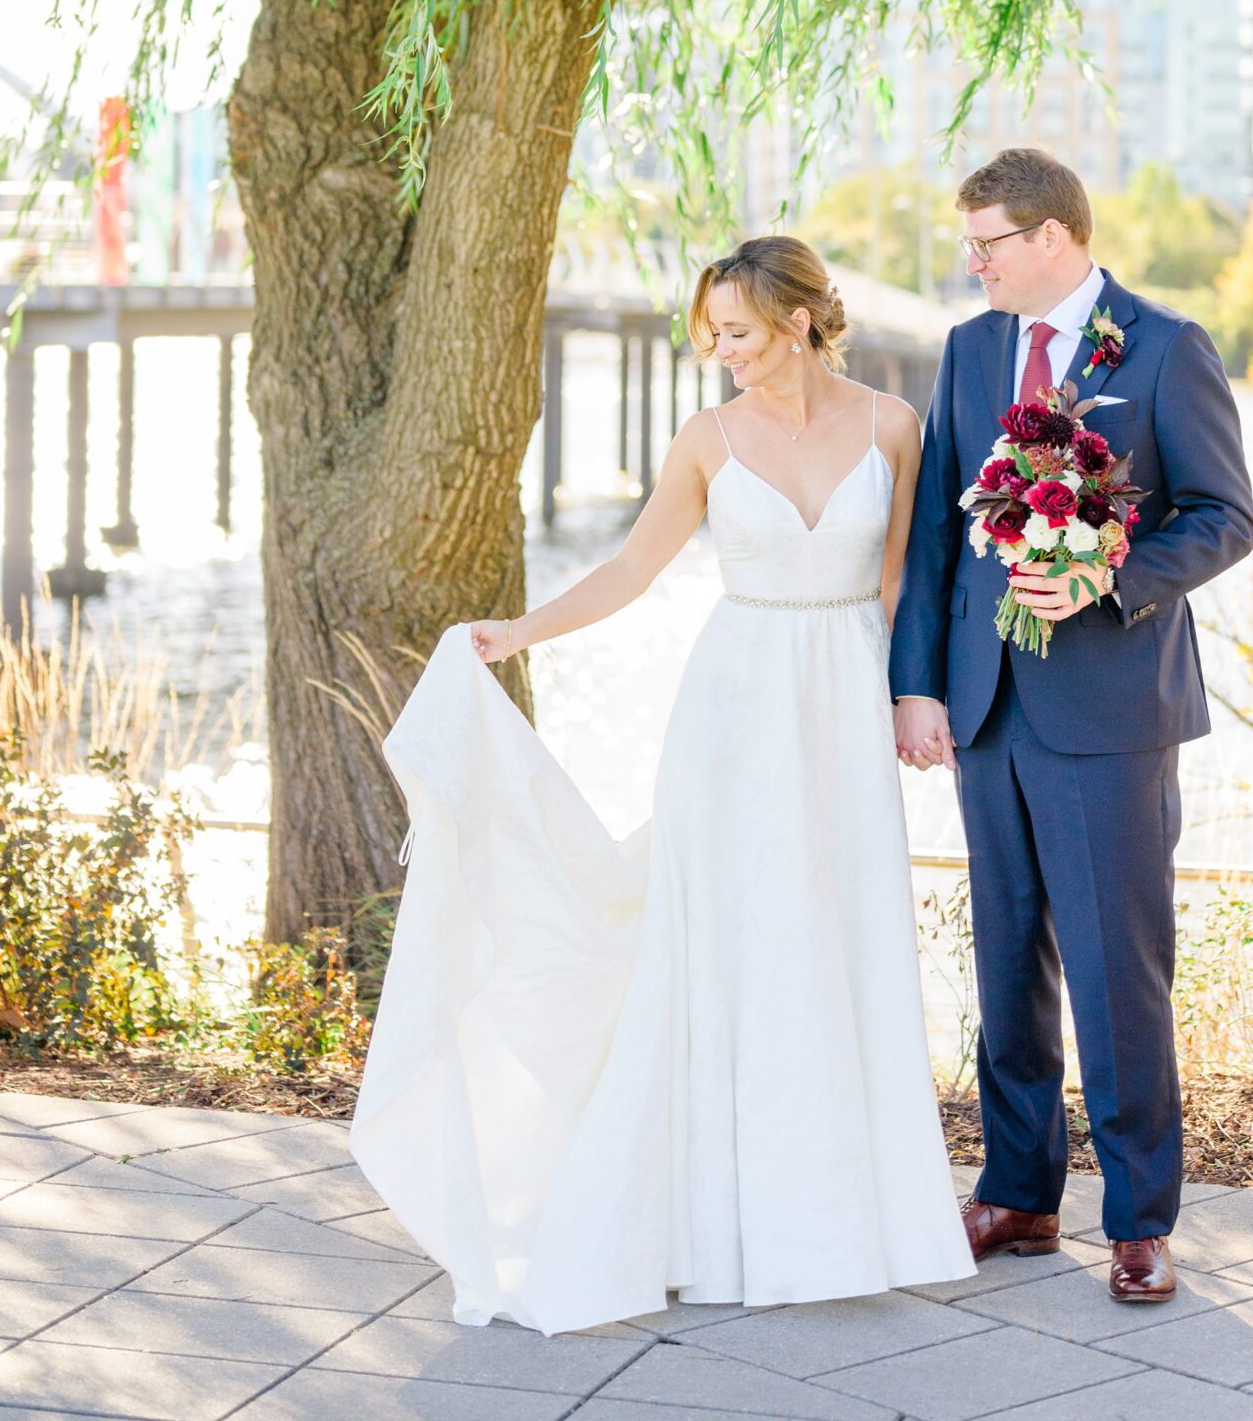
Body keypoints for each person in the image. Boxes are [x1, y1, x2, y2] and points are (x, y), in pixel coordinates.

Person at [351, 234, 973, 1334]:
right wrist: (520, 630)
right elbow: (633, 569)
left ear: (795, 321)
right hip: (732, 710)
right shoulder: (704, 438)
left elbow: (899, 583)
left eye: (734, 331)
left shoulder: (892, 425)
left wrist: (908, 695)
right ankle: (710, 1220)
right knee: (728, 945)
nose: (719, 351)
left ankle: (845, 1219)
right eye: (709, 334)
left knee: (840, 936)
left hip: (840, 697)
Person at [889, 146, 1253, 1304]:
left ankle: (1139, 1216)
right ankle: (1018, 1192)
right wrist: (918, 684)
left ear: (1052, 237)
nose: (972, 262)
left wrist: (1109, 576)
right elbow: (937, 539)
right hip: (985, 705)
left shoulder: (1161, 346)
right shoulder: (965, 349)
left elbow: (1222, 516)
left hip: (1108, 710)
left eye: (987, 242)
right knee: (1002, 964)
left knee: (1114, 970)